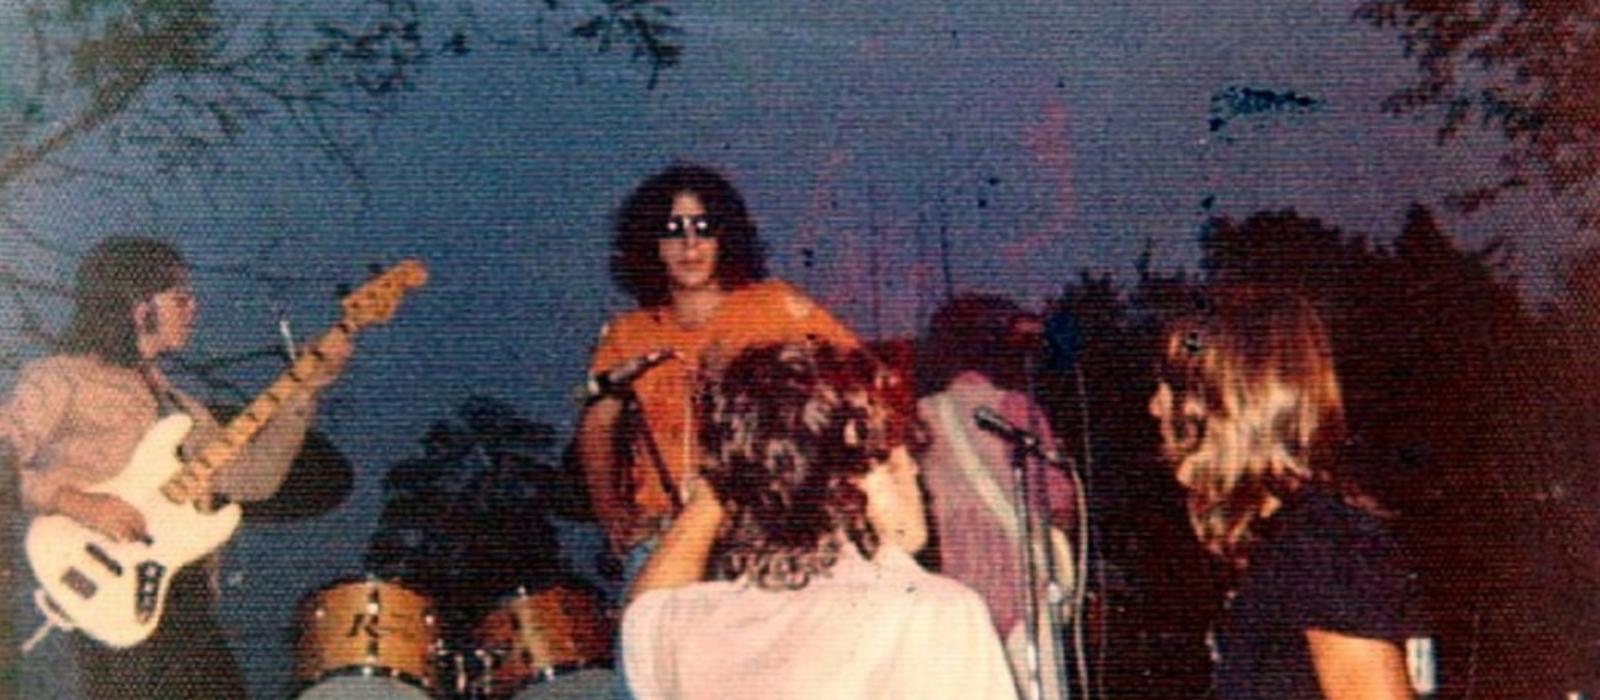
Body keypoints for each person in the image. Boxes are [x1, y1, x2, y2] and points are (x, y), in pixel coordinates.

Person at [0, 235, 353, 700]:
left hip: (181, 597)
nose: (194, 307)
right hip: (91, 586)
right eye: (181, 297)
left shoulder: (183, 407)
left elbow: (255, 480)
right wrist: (76, 502)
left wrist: (305, 389)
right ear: (137, 303)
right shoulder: (62, 377)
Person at [621, 341, 1020, 700]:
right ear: (848, 478)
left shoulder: (680, 627)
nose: (914, 470)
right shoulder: (935, 613)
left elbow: (647, 606)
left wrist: (736, 465)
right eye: (894, 455)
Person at [575, 162, 859, 582]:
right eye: (673, 229)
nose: (690, 244)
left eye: (704, 227)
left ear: (726, 236)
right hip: (665, 537)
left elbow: (857, 381)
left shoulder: (775, 305)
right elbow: (598, 425)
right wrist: (611, 512)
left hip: (763, 534)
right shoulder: (628, 333)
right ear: (650, 243)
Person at [1147, 285, 1418, 700]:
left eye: (1170, 387)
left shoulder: (1322, 544)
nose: (1155, 407)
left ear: (1224, 405)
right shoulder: (1282, 542)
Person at [915, 293, 1078, 700]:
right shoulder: (1014, 408)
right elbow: (1060, 501)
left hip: (959, 601)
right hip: (1026, 596)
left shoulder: (920, 416)